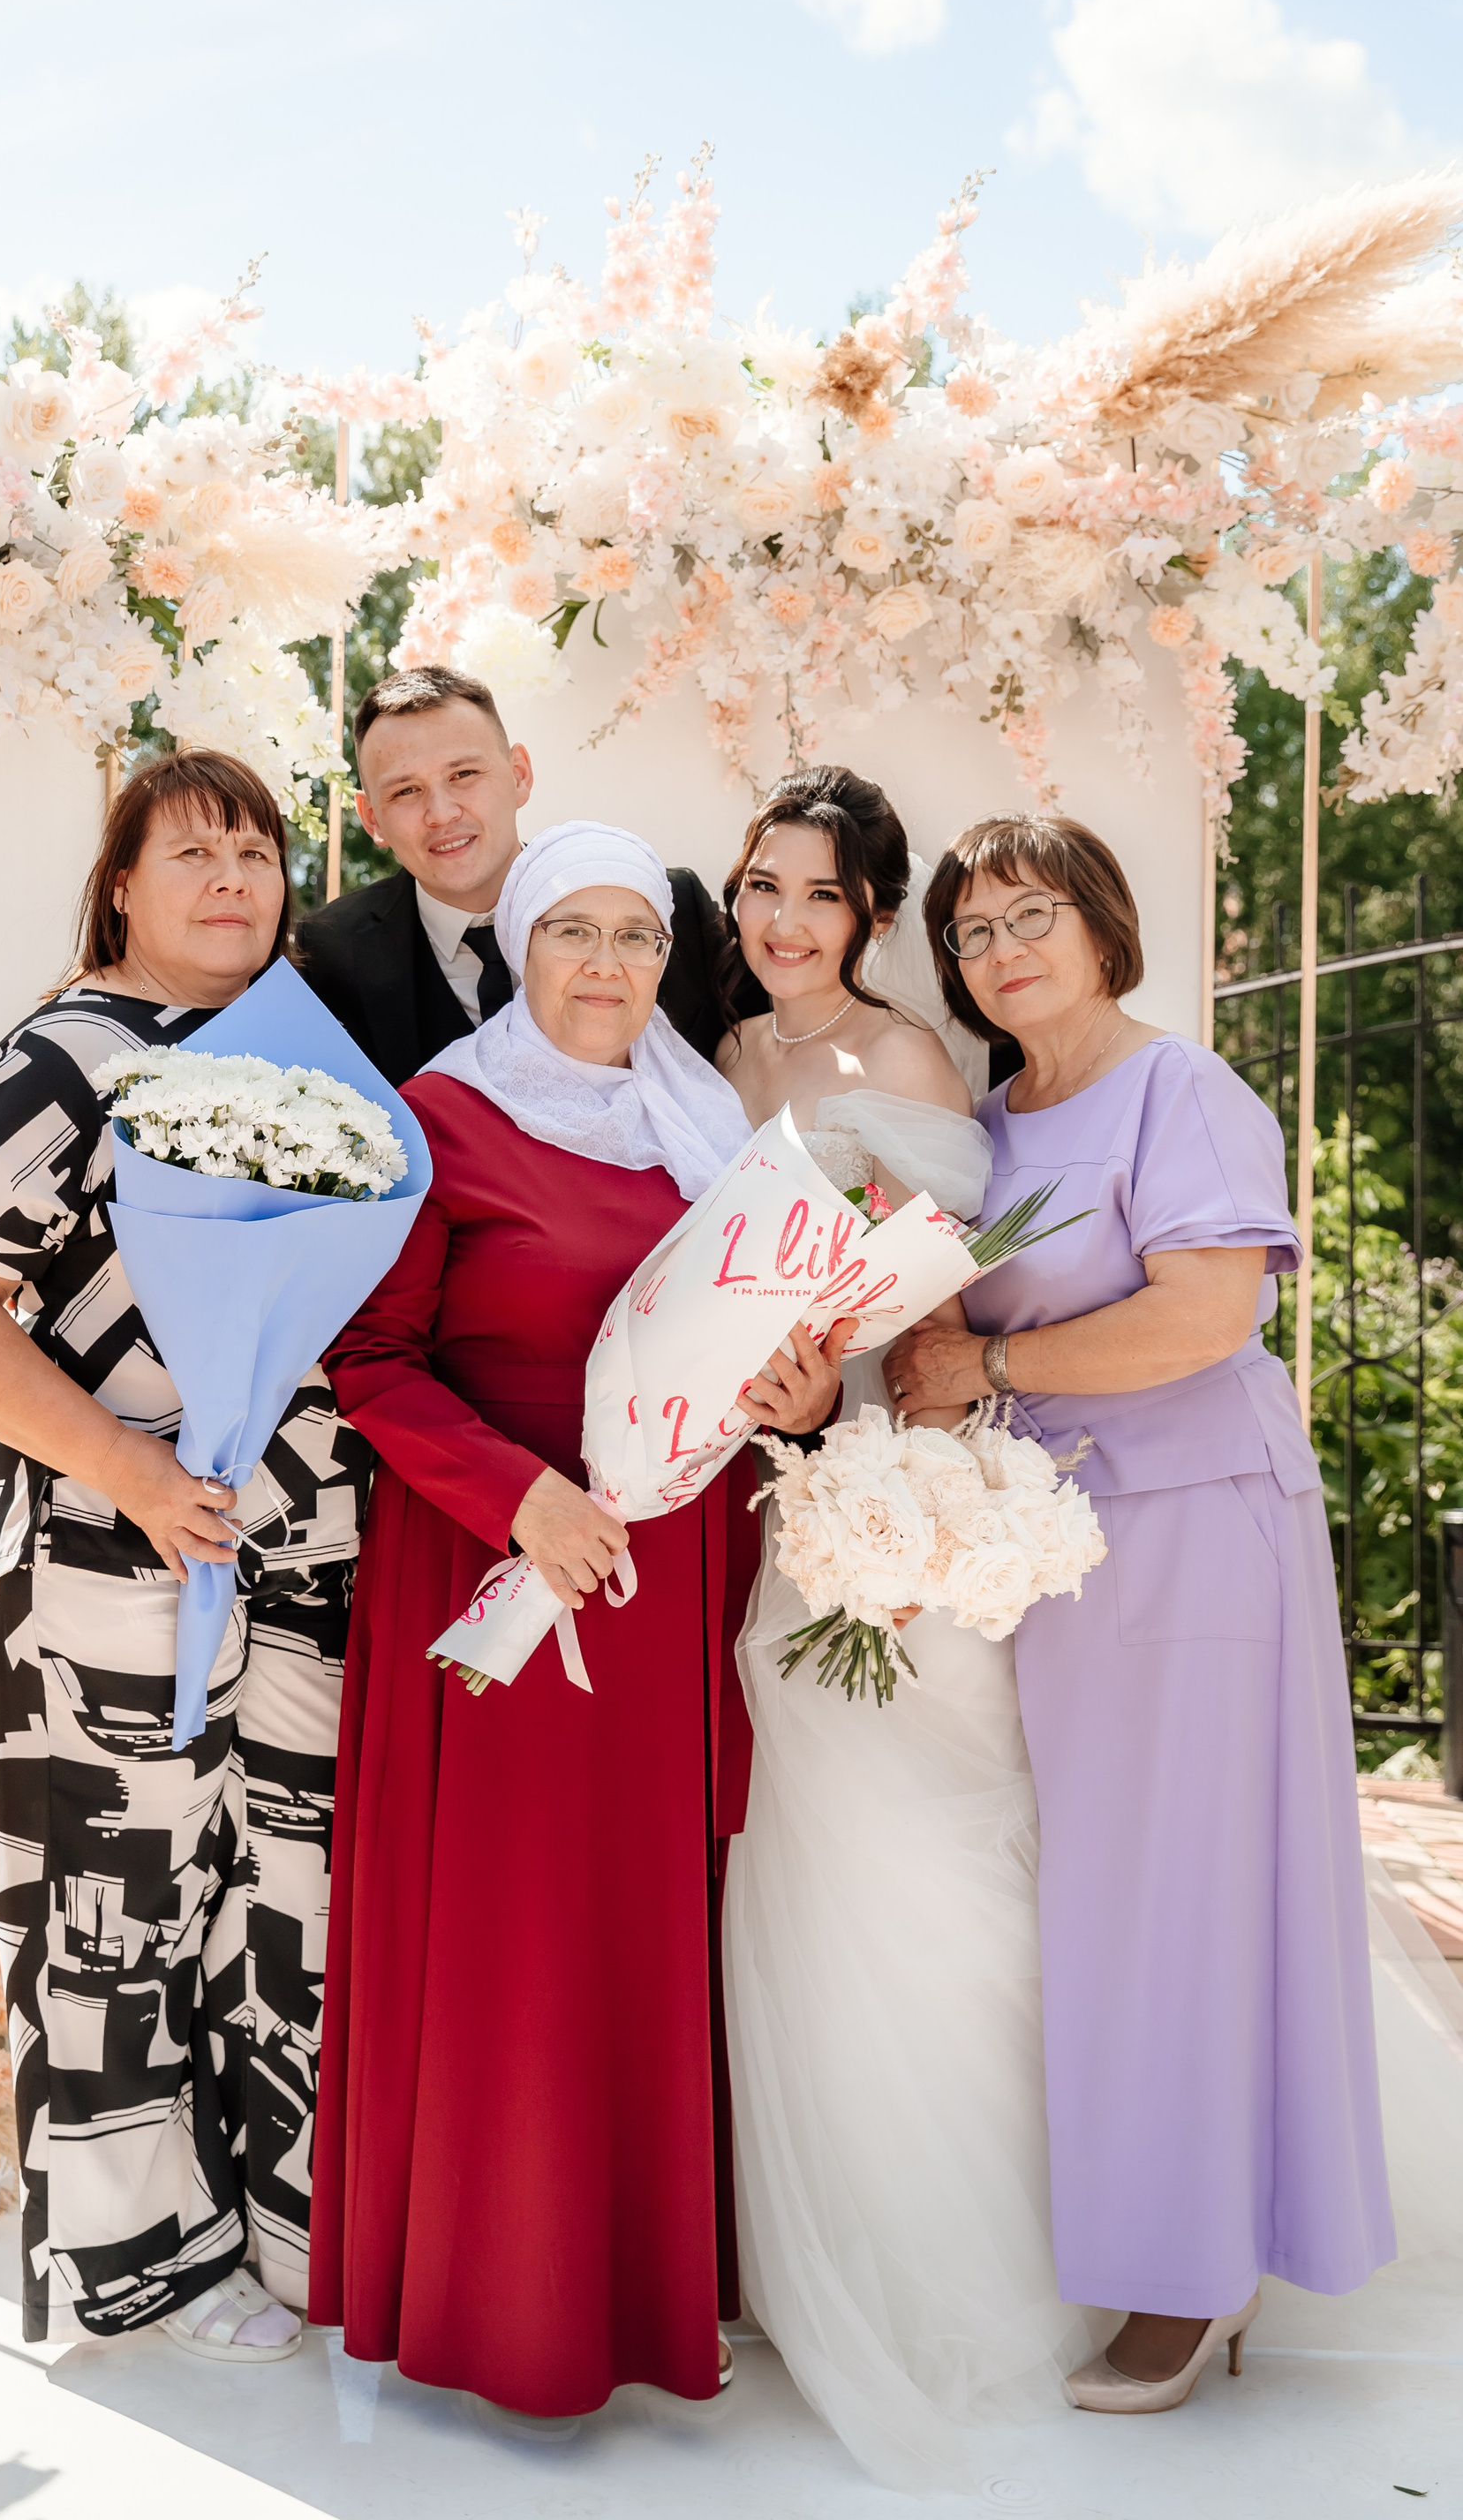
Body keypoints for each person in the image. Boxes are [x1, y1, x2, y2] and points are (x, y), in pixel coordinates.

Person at [305, 820, 853, 2417]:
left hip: (668, 1576)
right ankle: (495, 2306)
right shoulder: (441, 1118)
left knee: (637, 1928)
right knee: (513, 1931)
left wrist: (803, 1400)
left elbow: (757, 1347)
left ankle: (637, 2294)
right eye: (571, 931)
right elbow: (370, 1360)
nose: (605, 965)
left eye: (635, 937)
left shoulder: (709, 1130)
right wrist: (517, 1500)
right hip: (501, 1564)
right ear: (519, 947)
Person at [887, 810, 1394, 2413]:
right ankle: (1179, 2239)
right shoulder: (982, 1122)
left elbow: (1203, 1317)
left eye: (1031, 915)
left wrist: (988, 1362)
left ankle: (1189, 2276)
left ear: (1105, 925)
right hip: (1052, 1543)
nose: (1003, 950)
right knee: (1103, 1900)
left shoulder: (1184, 1091)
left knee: (1179, 1898)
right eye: (972, 932)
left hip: (1193, 1529)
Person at [0, 751, 372, 2362]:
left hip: (293, 1556)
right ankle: (144, 2269)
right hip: (110, 1554)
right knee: (118, 1913)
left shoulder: (295, 1052)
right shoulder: (61, 1060)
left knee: (289, 1898)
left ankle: (297, 2224)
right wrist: (134, 1471)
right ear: (120, 887)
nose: (234, 880)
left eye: (258, 854)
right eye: (194, 854)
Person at [715, 768, 1102, 2489]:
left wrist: (844, 1421)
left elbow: (935, 1318)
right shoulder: (720, 1060)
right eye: (762, 887)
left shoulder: (913, 1065)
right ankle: (828, 2266)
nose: (785, 921)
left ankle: (975, 2279)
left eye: (820, 893)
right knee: (804, 1872)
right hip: (770, 1513)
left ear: (870, 914)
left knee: (925, 1877)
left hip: (893, 1516)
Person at [294, 665, 738, 1081]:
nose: (441, 813)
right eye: (406, 790)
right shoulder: (330, 954)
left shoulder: (672, 910)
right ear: (371, 818)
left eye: (464, 774)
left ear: (519, 775)